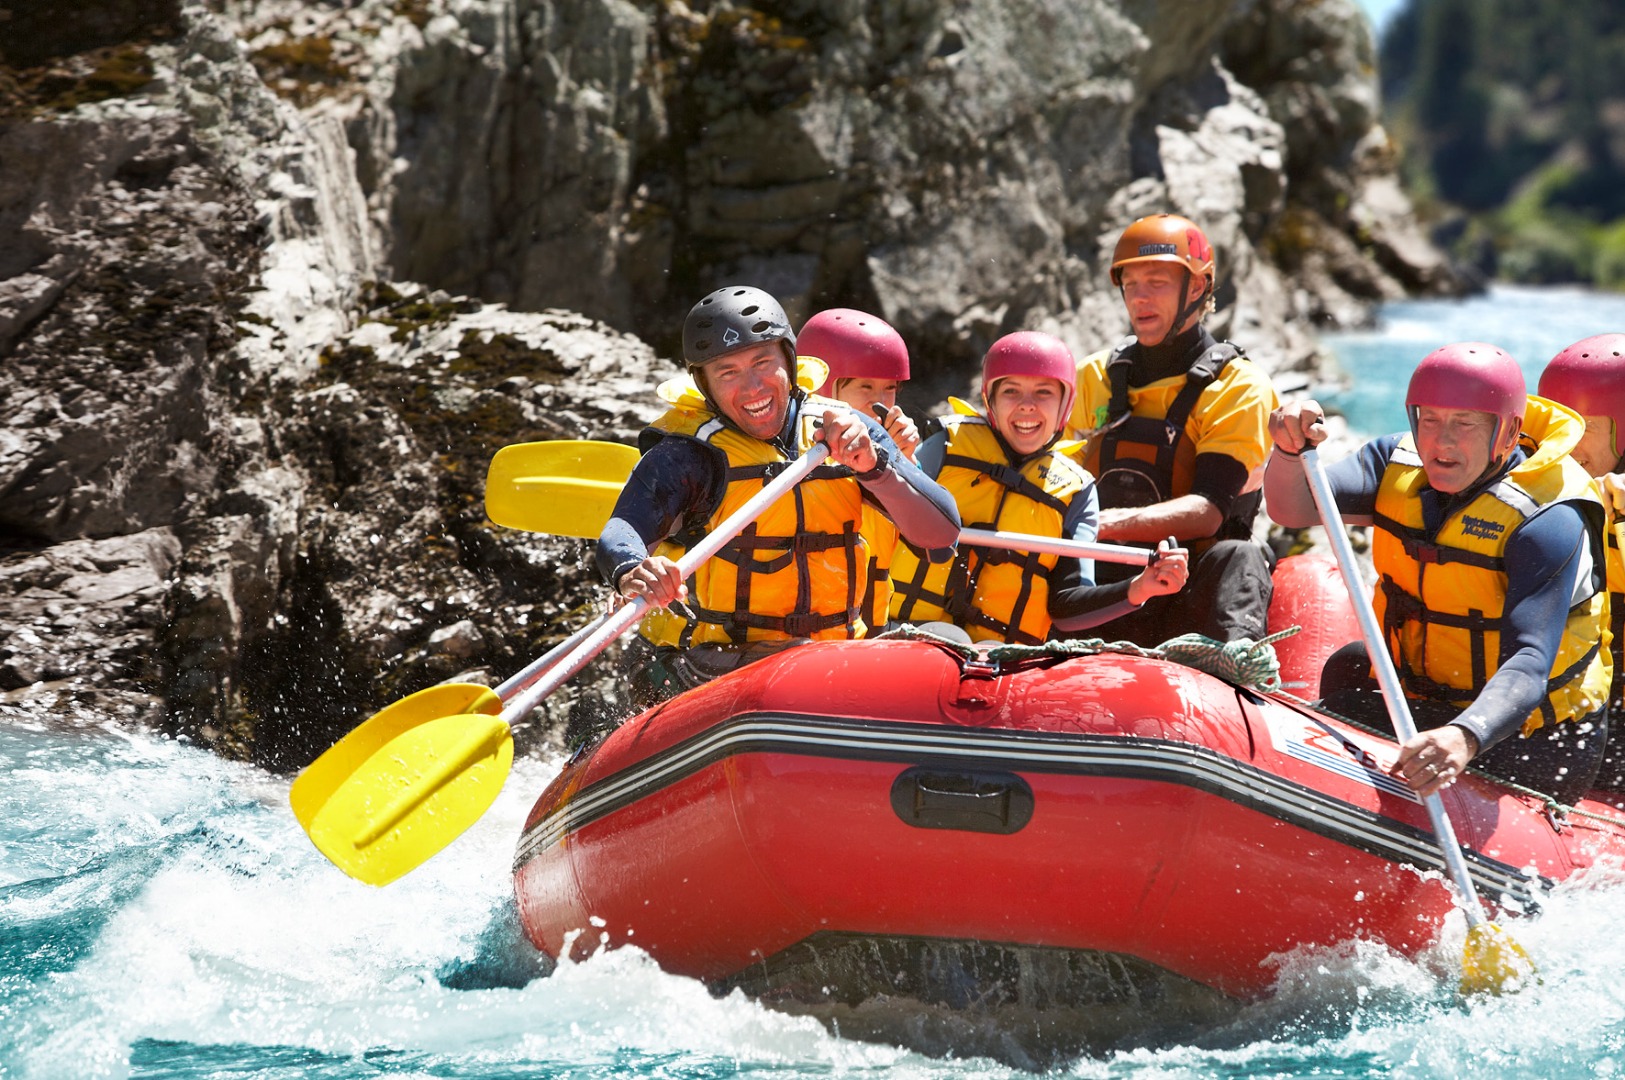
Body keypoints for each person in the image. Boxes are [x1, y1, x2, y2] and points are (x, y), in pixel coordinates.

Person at [1265, 341, 1611, 804]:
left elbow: (1528, 663)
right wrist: (1289, 451)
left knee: (1349, 705)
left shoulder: (1547, 519)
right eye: (1430, 420)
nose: (1442, 441)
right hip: (1440, 699)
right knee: (1348, 669)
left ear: (1507, 434)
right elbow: (1291, 506)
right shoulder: (1393, 463)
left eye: (1464, 424)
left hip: (1537, 735)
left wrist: (1464, 736)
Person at [596, 285, 961, 705]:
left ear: (789, 360)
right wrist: (631, 568)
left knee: (944, 650)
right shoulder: (687, 456)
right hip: (715, 662)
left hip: (838, 656)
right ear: (705, 386)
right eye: (727, 372)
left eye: (762, 362)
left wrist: (874, 467)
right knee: (802, 666)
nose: (752, 388)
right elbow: (623, 529)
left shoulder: (848, 429)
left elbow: (942, 534)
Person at [888, 331, 1189, 645]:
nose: (1027, 406)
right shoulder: (945, 447)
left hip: (999, 659)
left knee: (984, 649)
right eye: (1011, 391)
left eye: (1044, 393)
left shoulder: (1076, 492)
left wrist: (1141, 587)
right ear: (990, 399)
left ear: (1065, 406)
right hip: (906, 637)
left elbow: (1067, 603)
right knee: (947, 637)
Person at [1067, 214, 1279, 645]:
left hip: (1190, 584)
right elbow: (1053, 483)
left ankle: (1233, 670)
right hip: (1103, 583)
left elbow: (1208, 512)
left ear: (1197, 288)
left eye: (1157, 283)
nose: (1140, 299)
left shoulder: (1238, 386)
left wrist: (1097, 525)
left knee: (1239, 553)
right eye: (1130, 286)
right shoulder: (1094, 377)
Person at [1537, 332, 1625, 795]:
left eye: (1584, 425)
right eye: (1555, 422)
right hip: (1552, 707)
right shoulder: (1533, 494)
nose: (1563, 441)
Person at [797, 307, 920, 633]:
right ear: (824, 391)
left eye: (889, 388)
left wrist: (906, 461)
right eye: (865, 388)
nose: (881, 404)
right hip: (799, 638)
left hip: (869, 632)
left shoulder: (892, 452)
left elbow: (927, 544)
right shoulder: (792, 457)